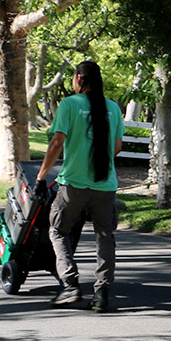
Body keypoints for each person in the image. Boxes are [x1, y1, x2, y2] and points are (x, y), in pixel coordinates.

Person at [36, 60, 125, 312]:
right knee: (105, 238)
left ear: (78, 79)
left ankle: (70, 284)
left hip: (73, 185)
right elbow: (117, 148)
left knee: (57, 231)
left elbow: (56, 142)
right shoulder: (113, 108)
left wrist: (41, 177)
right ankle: (102, 293)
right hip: (105, 187)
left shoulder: (69, 105)